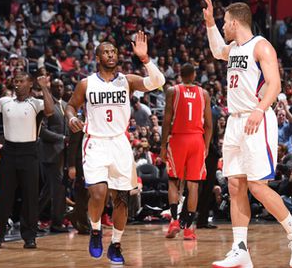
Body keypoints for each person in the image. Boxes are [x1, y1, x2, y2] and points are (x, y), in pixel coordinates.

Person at [203, 0, 292, 268]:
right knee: (235, 184)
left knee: (256, 185)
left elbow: (274, 84)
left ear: (235, 23)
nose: (223, 26)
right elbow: (217, 50)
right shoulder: (234, 49)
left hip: (256, 118)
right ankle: (240, 248)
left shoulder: (260, 45)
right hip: (235, 121)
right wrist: (208, 22)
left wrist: (260, 110)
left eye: (224, 22)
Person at [65, 32, 165, 265]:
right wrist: (71, 119)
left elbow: (158, 82)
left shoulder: (127, 80)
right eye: (106, 52)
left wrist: (146, 59)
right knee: (98, 193)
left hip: (120, 143)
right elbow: (70, 106)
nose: (111, 55)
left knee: (121, 198)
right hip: (96, 143)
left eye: (114, 52)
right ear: (97, 58)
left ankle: (116, 244)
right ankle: (97, 230)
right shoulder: (86, 83)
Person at [0, 72, 54, 249]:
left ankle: (29, 237)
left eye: (21, 81)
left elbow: (50, 110)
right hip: (8, 152)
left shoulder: (36, 103)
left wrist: (44, 87)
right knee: (3, 196)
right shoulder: (5, 101)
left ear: (30, 84)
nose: (17, 84)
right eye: (15, 81)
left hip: (29, 152)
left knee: (30, 197)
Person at [160, 63, 213, 240]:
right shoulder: (203, 93)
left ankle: (174, 221)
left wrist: (162, 146)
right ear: (194, 74)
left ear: (180, 74)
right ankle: (189, 229)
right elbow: (209, 125)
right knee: (193, 185)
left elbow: (167, 120)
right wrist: (205, 146)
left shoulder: (172, 91)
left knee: (174, 181)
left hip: (178, 139)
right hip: (197, 140)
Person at [38, 78, 69, 233]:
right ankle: (56, 224)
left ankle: (30, 219)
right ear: (51, 89)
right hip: (50, 154)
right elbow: (42, 131)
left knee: (51, 191)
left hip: (64, 154)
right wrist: (62, 138)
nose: (59, 88)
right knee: (57, 190)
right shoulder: (47, 105)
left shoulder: (65, 106)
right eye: (56, 86)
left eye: (61, 86)